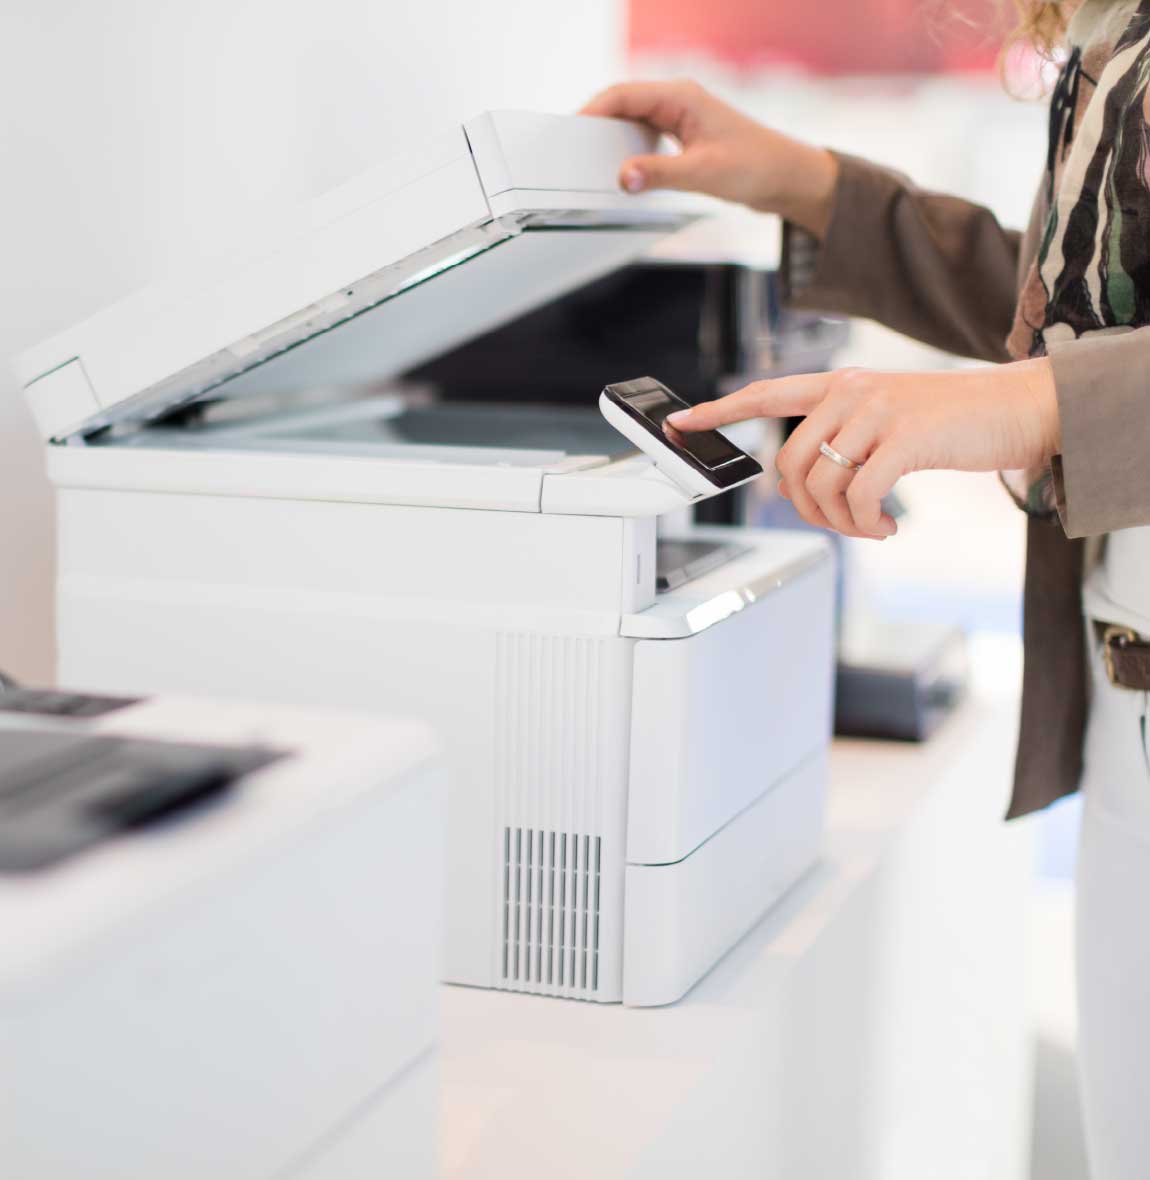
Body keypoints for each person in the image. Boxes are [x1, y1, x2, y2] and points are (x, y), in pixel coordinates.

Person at [584, 3, 1150, 1177]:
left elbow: (1066, 369)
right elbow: (1079, 298)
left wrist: (1037, 406)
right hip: (1118, 686)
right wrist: (811, 185)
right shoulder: (1112, 29)